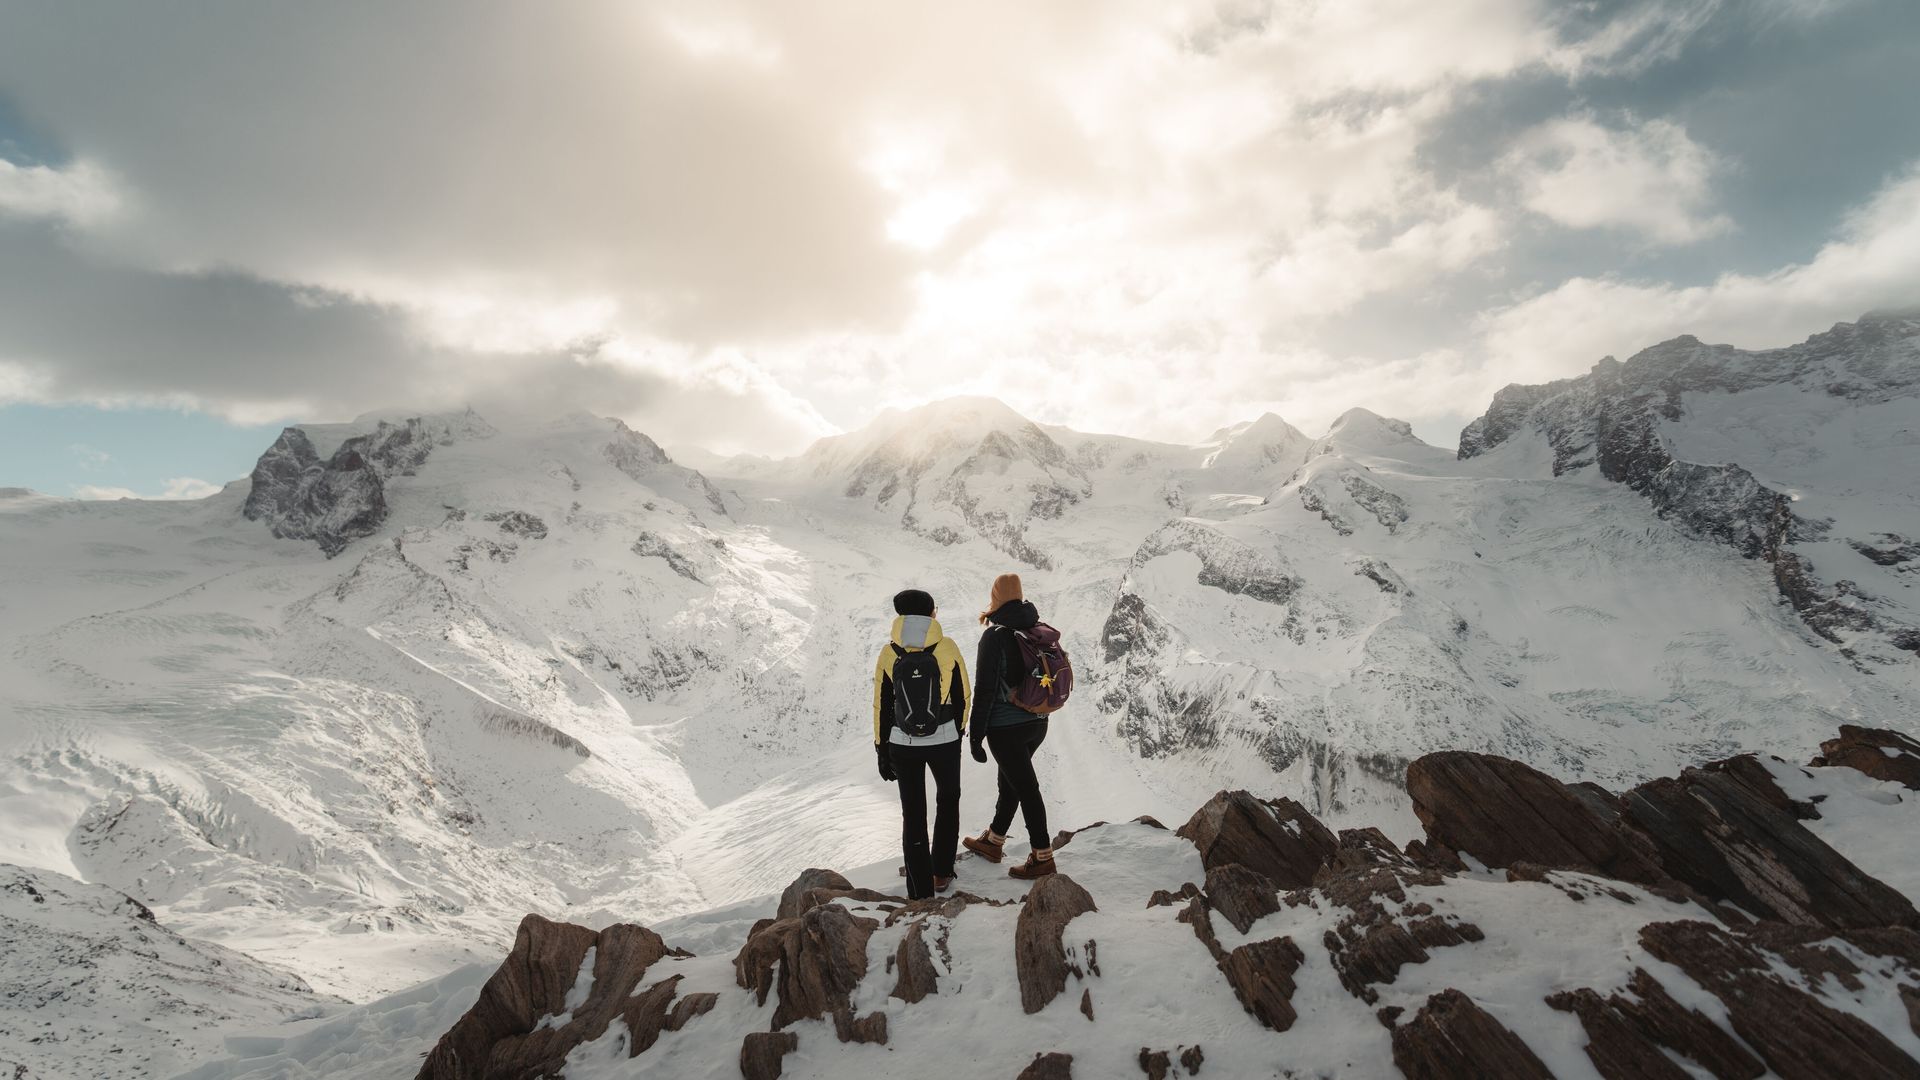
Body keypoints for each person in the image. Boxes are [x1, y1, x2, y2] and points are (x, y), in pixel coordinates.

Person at [872, 588, 970, 900]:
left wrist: (881, 747)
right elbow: (963, 694)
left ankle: (919, 892)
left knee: (913, 814)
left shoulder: (889, 653)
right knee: (948, 801)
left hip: (902, 742)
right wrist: (958, 730)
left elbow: (882, 704)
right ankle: (941, 872)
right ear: (931, 615)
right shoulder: (948, 646)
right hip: (944, 738)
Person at [961, 573, 1057, 879]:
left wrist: (976, 737)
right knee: (1013, 782)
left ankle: (1043, 856)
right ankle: (994, 840)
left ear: (995, 599)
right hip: (1038, 724)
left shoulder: (995, 636)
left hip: (1005, 729)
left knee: (1026, 787)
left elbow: (985, 690)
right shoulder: (1035, 630)